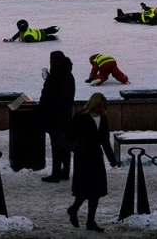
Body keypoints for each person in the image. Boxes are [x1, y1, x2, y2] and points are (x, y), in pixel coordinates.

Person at [65, 92, 117, 232]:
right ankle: (75, 209)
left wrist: (112, 159)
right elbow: (70, 135)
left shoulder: (103, 118)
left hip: (95, 156)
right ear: (94, 106)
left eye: (103, 107)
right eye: (100, 107)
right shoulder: (81, 117)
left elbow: (105, 140)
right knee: (84, 189)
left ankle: (90, 220)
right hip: (83, 157)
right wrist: (76, 147)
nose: (102, 110)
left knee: (96, 191)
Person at [38, 50, 75, 183]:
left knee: (56, 145)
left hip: (54, 116)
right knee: (64, 144)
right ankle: (65, 171)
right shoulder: (68, 74)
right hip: (65, 115)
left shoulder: (55, 75)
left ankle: (56, 173)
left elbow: (49, 95)